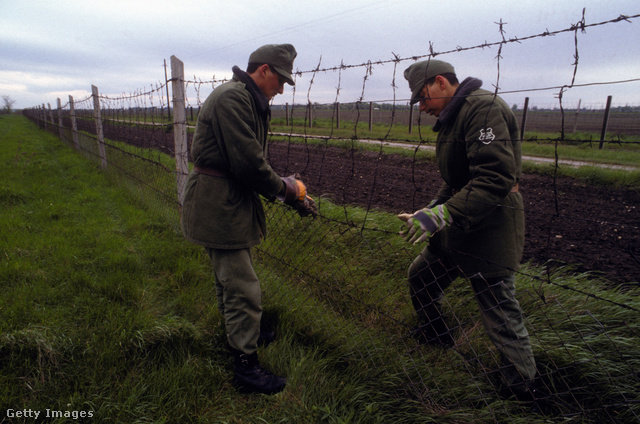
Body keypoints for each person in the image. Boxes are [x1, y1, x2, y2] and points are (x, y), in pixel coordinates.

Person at [181, 44, 316, 395]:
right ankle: (246, 365)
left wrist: (287, 190)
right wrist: (290, 192)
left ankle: (241, 334)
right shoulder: (233, 99)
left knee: (230, 279)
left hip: (228, 199)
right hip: (218, 202)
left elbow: (249, 163)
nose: (282, 88)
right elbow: (249, 164)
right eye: (281, 80)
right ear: (264, 70)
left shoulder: (247, 99)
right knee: (243, 286)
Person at [399, 59, 538, 401]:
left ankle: (522, 388)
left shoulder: (482, 109)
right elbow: (457, 182)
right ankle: (436, 335)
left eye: (422, 97)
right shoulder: (453, 118)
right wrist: (431, 211)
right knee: (421, 276)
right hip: (457, 225)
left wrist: (442, 214)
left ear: (442, 83)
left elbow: (494, 178)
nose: (421, 107)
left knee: (498, 308)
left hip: (491, 225)